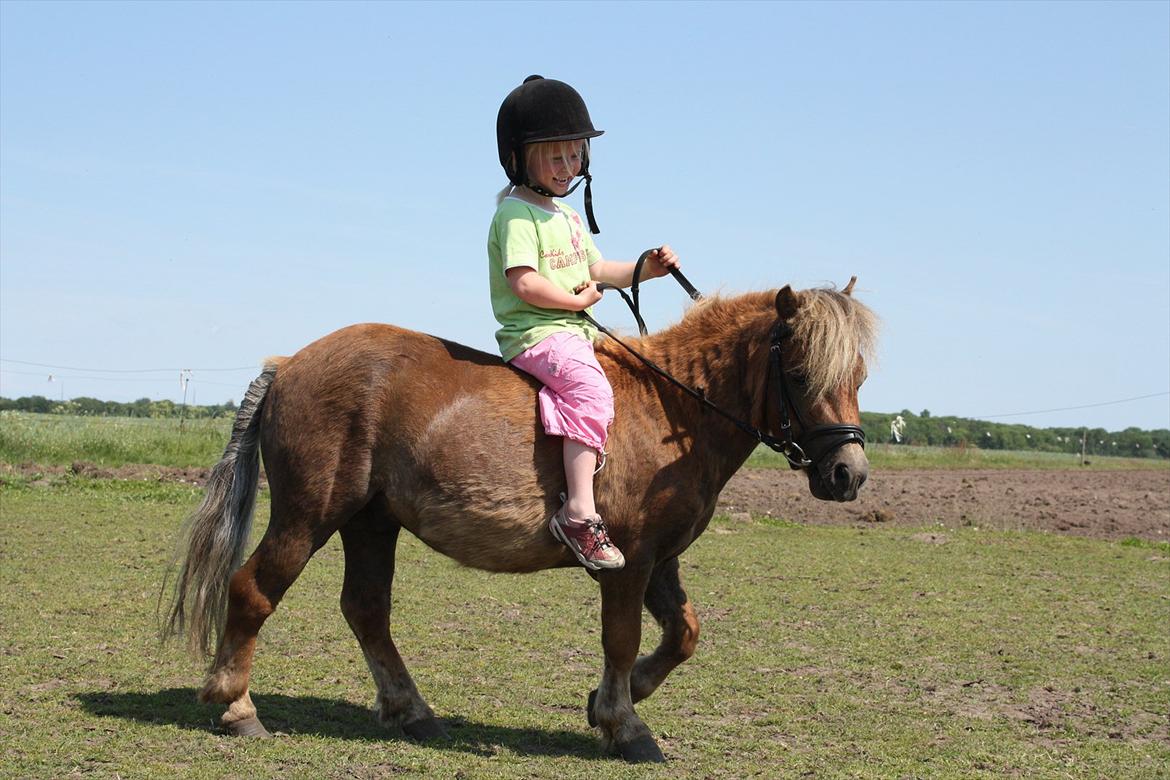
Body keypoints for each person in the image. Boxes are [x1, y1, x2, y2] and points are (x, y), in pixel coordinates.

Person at [489, 75, 681, 571]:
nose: (568, 166)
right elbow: (525, 284)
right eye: (556, 156)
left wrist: (646, 269)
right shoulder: (515, 214)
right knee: (590, 390)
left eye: (575, 155)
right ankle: (577, 512)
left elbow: (597, 271)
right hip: (536, 332)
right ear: (519, 158)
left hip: (574, 330)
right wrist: (575, 307)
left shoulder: (569, 218)